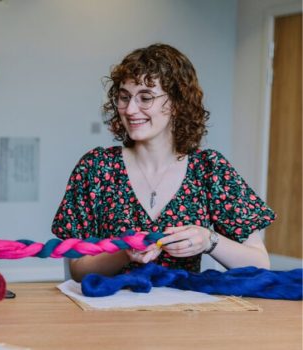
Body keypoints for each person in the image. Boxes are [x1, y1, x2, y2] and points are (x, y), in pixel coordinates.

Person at [52, 44, 275, 281]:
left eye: (145, 98)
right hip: (110, 315)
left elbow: (261, 265)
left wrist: (209, 240)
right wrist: (124, 253)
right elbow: (77, 270)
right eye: (124, 97)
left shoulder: (210, 169)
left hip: (184, 315)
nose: (130, 109)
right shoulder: (96, 167)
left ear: (177, 103)